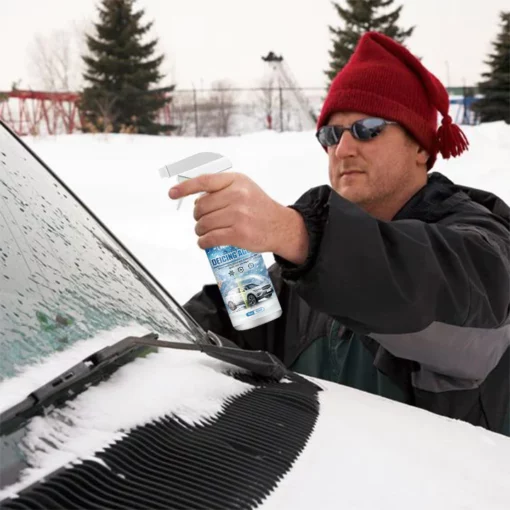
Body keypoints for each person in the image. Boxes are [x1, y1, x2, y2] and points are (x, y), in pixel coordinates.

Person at [169, 32, 510, 435]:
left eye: (368, 128)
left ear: (421, 146)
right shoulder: (309, 267)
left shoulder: (482, 243)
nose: (343, 149)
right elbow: (220, 329)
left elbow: (441, 292)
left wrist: (296, 233)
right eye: (330, 135)